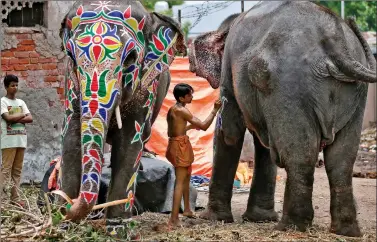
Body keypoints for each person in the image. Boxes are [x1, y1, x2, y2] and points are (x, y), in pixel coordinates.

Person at [165, 83, 222, 229]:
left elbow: (172, 131)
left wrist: (188, 127)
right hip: (180, 147)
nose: (192, 97)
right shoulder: (182, 111)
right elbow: (203, 126)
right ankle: (173, 218)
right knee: (180, 181)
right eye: (189, 94)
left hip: (177, 144)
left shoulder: (173, 109)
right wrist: (214, 111)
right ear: (181, 97)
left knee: (187, 175)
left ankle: (188, 210)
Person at [0, 74, 33, 207]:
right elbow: (8, 118)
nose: (15, 88)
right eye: (12, 85)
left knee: (17, 171)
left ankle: (15, 198)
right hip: (8, 141)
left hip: (21, 140)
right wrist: (22, 114)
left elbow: (30, 119)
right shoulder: (3, 102)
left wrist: (15, 117)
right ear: (6, 87)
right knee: (6, 170)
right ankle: (1, 200)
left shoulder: (21, 102)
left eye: (16, 85)